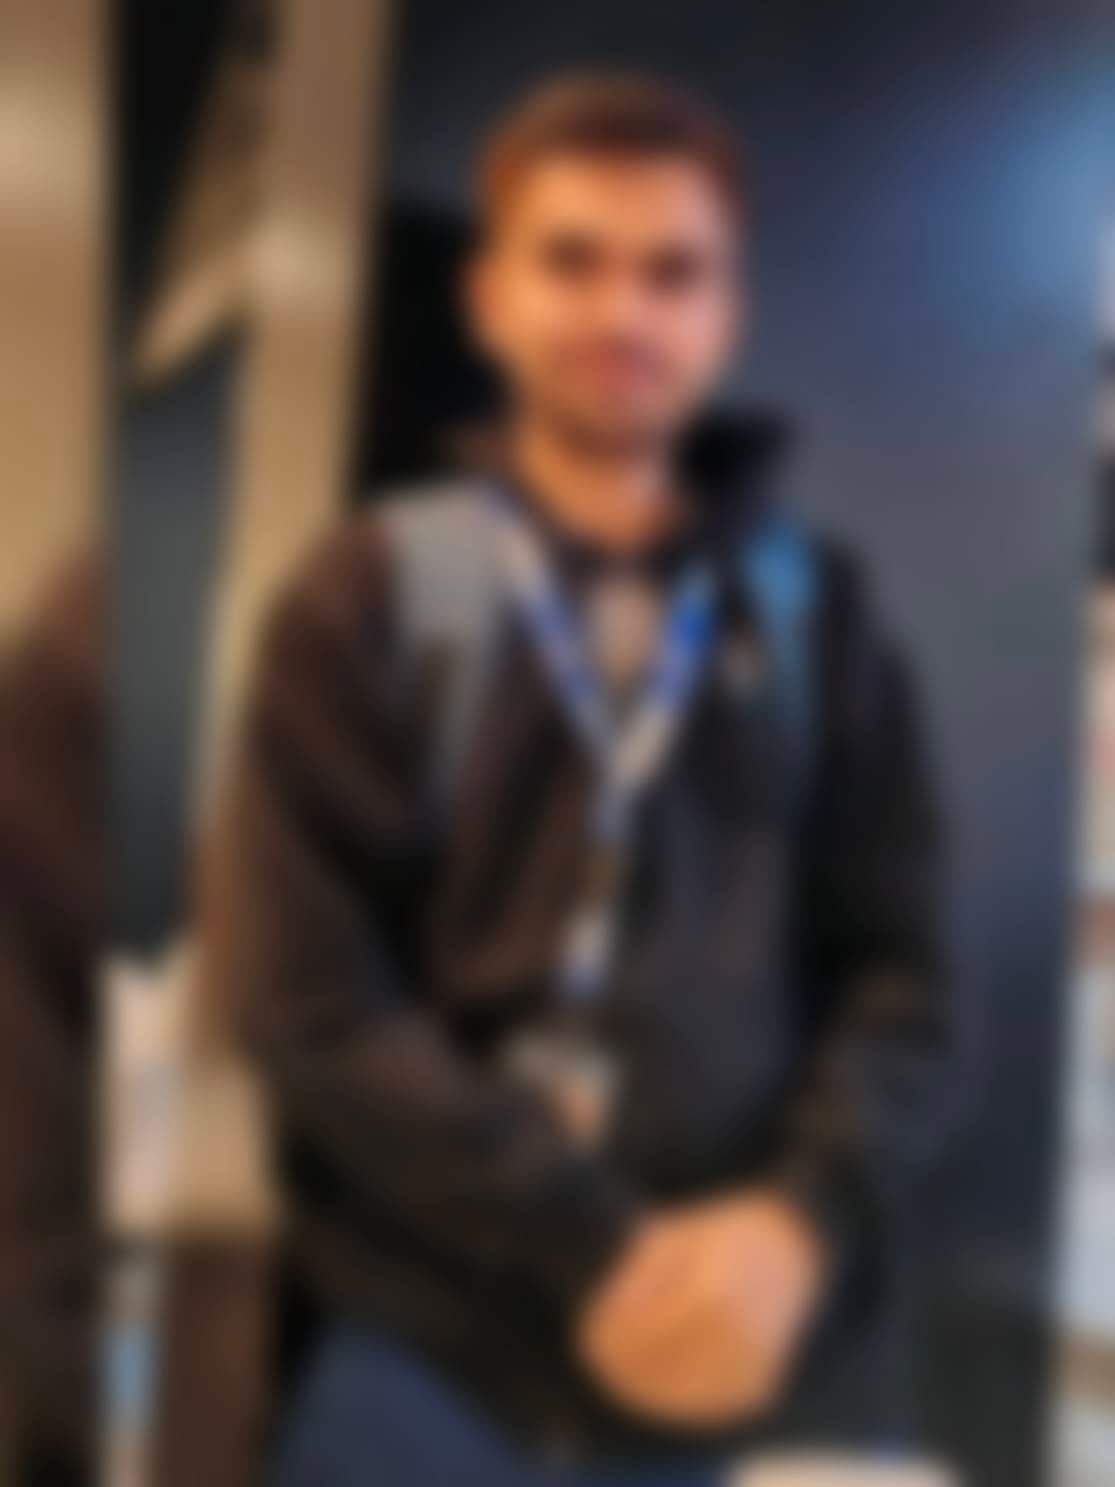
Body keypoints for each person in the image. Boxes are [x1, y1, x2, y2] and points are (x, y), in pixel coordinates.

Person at [205, 72, 956, 1485]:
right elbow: (299, 995)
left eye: (674, 273)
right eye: (572, 261)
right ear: (490, 297)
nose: (624, 312)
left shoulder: (820, 611)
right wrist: (590, 1239)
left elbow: (904, 981)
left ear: (727, 313)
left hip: (730, 1341)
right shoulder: (368, 593)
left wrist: (796, 1222)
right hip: (419, 1358)